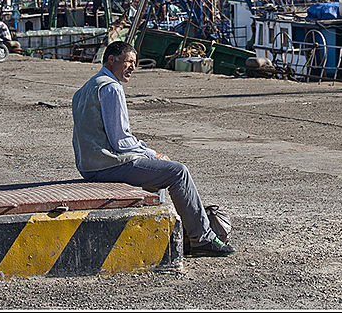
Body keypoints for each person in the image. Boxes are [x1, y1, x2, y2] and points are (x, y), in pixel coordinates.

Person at [71, 40, 234, 257]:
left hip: (88, 165)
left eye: (135, 63)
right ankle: (201, 238)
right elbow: (120, 140)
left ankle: (165, 233)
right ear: (112, 60)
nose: (133, 67)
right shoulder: (111, 87)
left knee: (157, 173)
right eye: (129, 61)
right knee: (177, 172)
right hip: (106, 164)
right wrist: (151, 153)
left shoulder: (85, 88)